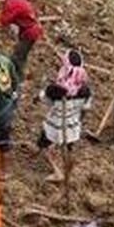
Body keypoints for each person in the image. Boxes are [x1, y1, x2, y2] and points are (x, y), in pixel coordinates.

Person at [36, 49, 92, 183]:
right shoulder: (85, 90)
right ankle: (68, 169)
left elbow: (45, 100)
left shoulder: (55, 90)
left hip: (55, 125)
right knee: (69, 148)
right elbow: (86, 108)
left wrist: (41, 94)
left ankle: (57, 171)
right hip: (73, 125)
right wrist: (79, 118)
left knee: (44, 145)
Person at [0, 0, 44, 78]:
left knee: (17, 57)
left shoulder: (12, 3)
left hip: (30, 32)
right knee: (21, 55)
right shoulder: (16, 0)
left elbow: (2, 22)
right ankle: (18, 76)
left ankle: (18, 78)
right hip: (30, 30)